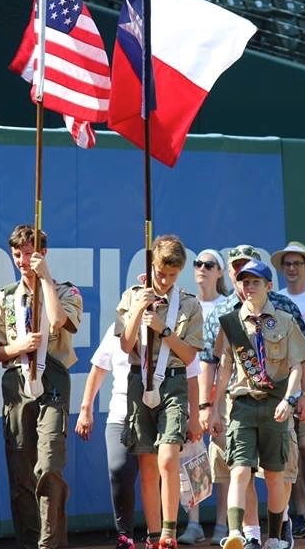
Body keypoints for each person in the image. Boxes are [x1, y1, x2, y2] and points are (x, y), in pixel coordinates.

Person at [198, 244, 305, 548]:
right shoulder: (227, 317)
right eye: (241, 276)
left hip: (277, 401)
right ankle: (242, 533)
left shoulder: (285, 313)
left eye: (253, 278)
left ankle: (278, 530)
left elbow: (300, 362)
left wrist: (299, 397)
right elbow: (217, 366)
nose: (246, 283)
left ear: (267, 283)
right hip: (239, 402)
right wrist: (209, 407)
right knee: (240, 469)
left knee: (277, 474)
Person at [0, 225, 83, 549]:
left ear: (42, 253)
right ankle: (28, 541)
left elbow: (59, 319)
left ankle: (50, 544)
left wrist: (46, 278)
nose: (23, 259)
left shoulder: (65, 291)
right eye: (17, 253)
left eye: (29, 252)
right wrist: (17, 346)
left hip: (52, 381)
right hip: (17, 383)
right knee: (21, 473)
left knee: (49, 465)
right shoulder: (5, 298)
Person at [76, 323, 202, 549]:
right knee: (119, 468)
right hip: (122, 413)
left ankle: (162, 535)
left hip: (162, 413)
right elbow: (98, 368)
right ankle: (125, 535)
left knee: (161, 469)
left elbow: (192, 376)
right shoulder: (119, 328)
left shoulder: (172, 327)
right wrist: (86, 408)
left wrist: (194, 416)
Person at [116, 234, 203, 549]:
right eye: (160, 273)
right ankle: (153, 535)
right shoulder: (132, 297)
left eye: (172, 275)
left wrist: (163, 330)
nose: (164, 280)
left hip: (174, 381)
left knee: (168, 457)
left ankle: (169, 532)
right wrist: (139, 311)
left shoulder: (189, 304)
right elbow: (125, 345)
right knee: (148, 464)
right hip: (140, 380)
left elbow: (191, 355)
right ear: (150, 267)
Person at [271, 241, 305, 538]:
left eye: (297, 264)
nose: (292, 269)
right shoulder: (275, 299)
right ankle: (300, 513)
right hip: (281, 386)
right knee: (288, 450)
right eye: (287, 264)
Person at [179, 249, 230, 545]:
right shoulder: (186, 304)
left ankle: (222, 524)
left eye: (208, 265)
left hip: (221, 393)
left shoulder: (227, 307)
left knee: (222, 456)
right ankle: (194, 522)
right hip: (190, 390)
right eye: (197, 264)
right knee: (193, 456)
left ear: (219, 272)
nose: (201, 268)